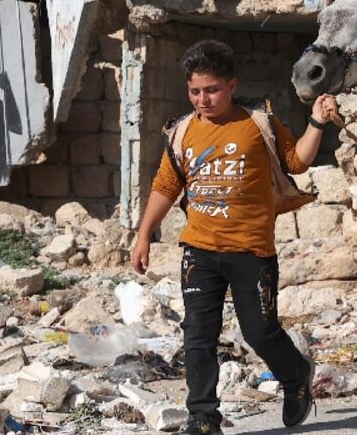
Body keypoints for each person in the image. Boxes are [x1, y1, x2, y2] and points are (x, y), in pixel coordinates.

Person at [130, 40, 339, 435]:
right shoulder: (181, 132)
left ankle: (296, 376)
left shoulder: (257, 123)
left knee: (259, 332)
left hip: (252, 251)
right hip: (199, 252)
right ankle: (204, 417)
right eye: (195, 91)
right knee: (197, 336)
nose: (203, 99)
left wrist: (317, 122)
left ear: (231, 85)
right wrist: (143, 235)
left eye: (212, 90)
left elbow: (296, 161)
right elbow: (164, 185)